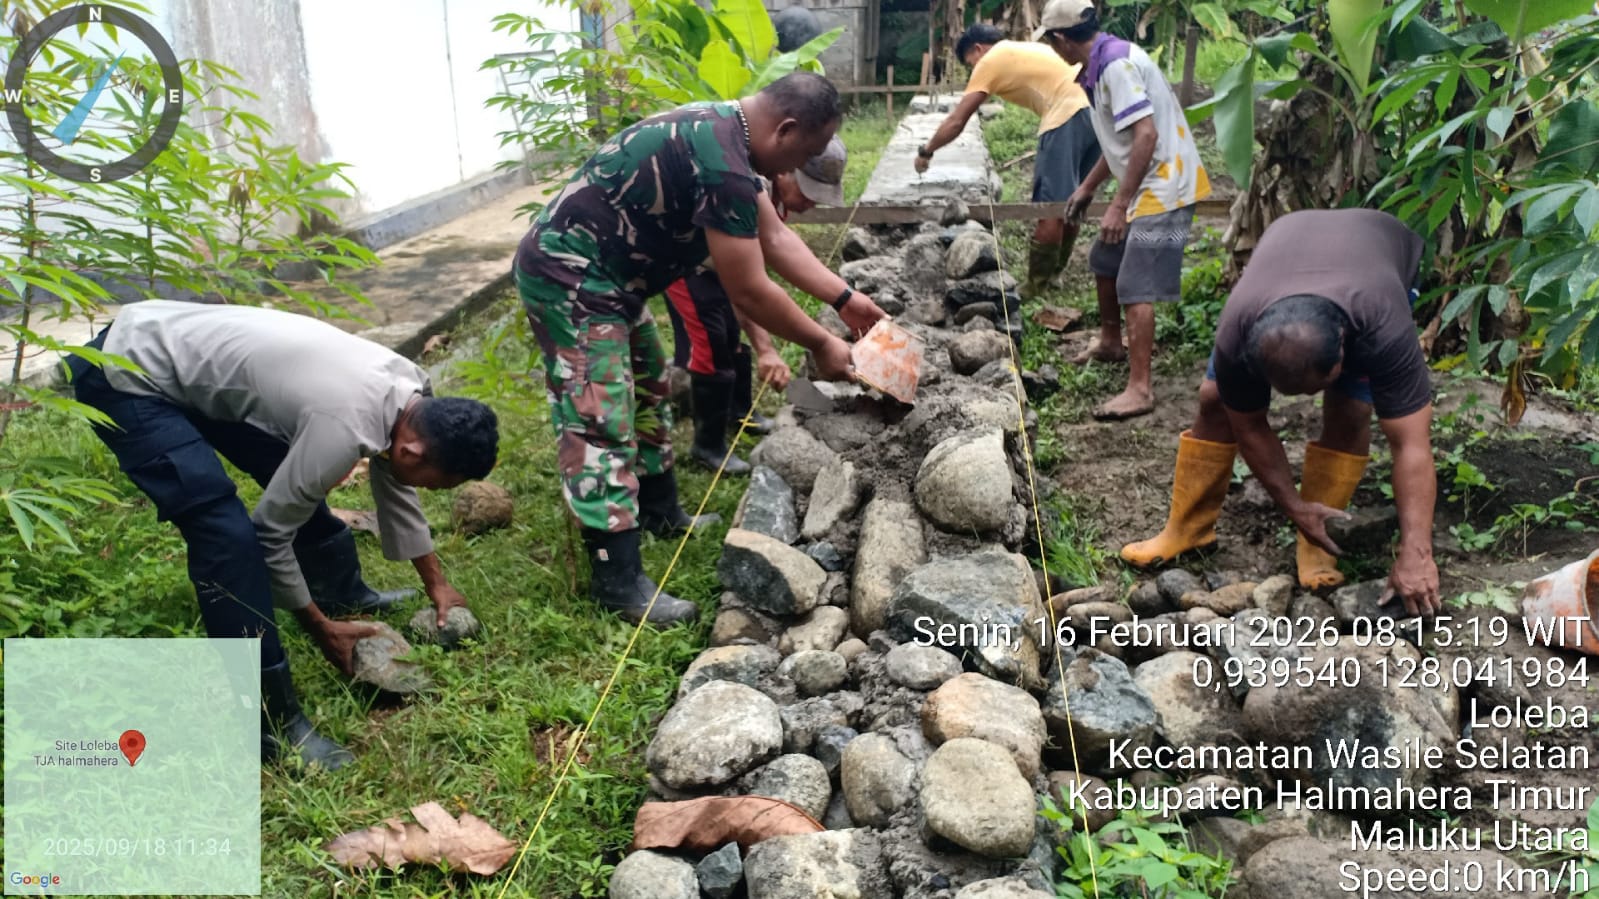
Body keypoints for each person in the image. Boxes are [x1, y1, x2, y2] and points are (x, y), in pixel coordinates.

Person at [514, 72, 887, 627]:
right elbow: (748, 289)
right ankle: (615, 578)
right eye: (799, 155)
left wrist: (846, 298)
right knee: (599, 416)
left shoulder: (728, 133)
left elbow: (777, 239)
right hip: (572, 275)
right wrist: (822, 342)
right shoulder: (724, 163)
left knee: (649, 383)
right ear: (784, 129)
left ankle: (660, 510)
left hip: (617, 280)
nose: (789, 172)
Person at [68, 300, 500, 770]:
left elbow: (393, 475)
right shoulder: (345, 421)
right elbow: (269, 533)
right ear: (413, 450)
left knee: (293, 470)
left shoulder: (413, 391)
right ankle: (271, 725)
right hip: (125, 371)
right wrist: (318, 628)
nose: (428, 490)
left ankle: (341, 591)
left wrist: (435, 582)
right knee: (226, 536)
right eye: (434, 483)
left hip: (182, 354)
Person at [1121, 209, 1441, 617]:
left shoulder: (1381, 323)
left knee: (1349, 409)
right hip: (1288, 254)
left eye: (1318, 383)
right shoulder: (1238, 330)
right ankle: (1188, 529)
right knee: (1215, 400)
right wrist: (1293, 505)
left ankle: (1319, 545)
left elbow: (1411, 444)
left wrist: (1418, 553)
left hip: (1378, 250)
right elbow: (1249, 425)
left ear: (1344, 348)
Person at [1039, 0, 1211, 420]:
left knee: (1135, 282)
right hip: (1148, 182)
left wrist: (1117, 204)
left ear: (1061, 39)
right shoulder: (1099, 67)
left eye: (1050, 42)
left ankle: (1141, 388)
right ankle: (1111, 343)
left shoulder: (1115, 67)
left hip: (1167, 185)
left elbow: (1146, 136)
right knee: (1105, 258)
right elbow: (1120, 142)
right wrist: (1088, 186)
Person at [665, 137, 847, 475]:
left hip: (719, 266)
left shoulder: (774, 201)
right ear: (785, 170)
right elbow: (749, 291)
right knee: (710, 349)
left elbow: (749, 282)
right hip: (686, 266)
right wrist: (767, 349)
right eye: (808, 190)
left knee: (732, 339)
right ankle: (708, 446)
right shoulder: (745, 188)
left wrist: (763, 347)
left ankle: (739, 413)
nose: (811, 203)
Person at [915, 22, 1100, 297]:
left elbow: (957, 121)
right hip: (1096, 111)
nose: (973, 71)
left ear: (978, 49)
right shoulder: (1023, 49)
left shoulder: (990, 60)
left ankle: (1036, 286)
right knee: (1073, 199)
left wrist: (926, 151)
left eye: (970, 63)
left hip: (1066, 115)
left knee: (1049, 207)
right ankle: (1055, 274)